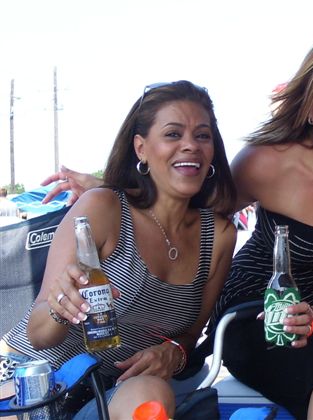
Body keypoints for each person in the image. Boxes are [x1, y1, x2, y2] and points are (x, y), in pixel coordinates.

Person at [38, 33, 313, 419]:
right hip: (256, 310)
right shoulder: (266, 160)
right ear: (308, 107)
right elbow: (181, 201)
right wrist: (112, 191)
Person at [0, 80, 237, 419]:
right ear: (141, 148)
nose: (191, 146)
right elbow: (38, 334)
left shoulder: (219, 236)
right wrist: (61, 306)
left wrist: (174, 353)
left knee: (151, 394)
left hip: (111, 394)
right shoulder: (103, 208)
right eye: (173, 134)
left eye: (202, 136)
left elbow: (188, 335)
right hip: (32, 384)